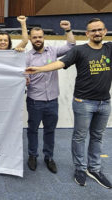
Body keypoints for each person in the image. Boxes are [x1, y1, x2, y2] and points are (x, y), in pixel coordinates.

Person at [25, 18, 112, 188]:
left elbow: (67, 47)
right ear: (87, 33)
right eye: (93, 30)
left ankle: (92, 168)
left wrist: (68, 29)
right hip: (75, 101)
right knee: (74, 136)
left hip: (101, 102)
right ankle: (75, 167)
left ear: (105, 31)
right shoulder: (80, 51)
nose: (96, 33)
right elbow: (61, 63)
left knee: (96, 136)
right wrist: (37, 71)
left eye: (99, 30)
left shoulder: (109, 48)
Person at [25, 21, 75, 174]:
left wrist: (68, 30)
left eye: (40, 37)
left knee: (50, 130)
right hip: (34, 101)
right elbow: (23, 75)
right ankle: (32, 156)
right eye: (34, 37)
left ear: (44, 37)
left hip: (52, 101)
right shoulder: (27, 57)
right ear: (30, 39)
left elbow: (71, 46)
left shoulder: (52, 51)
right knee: (32, 130)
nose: (37, 39)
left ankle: (49, 157)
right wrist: (25, 78)